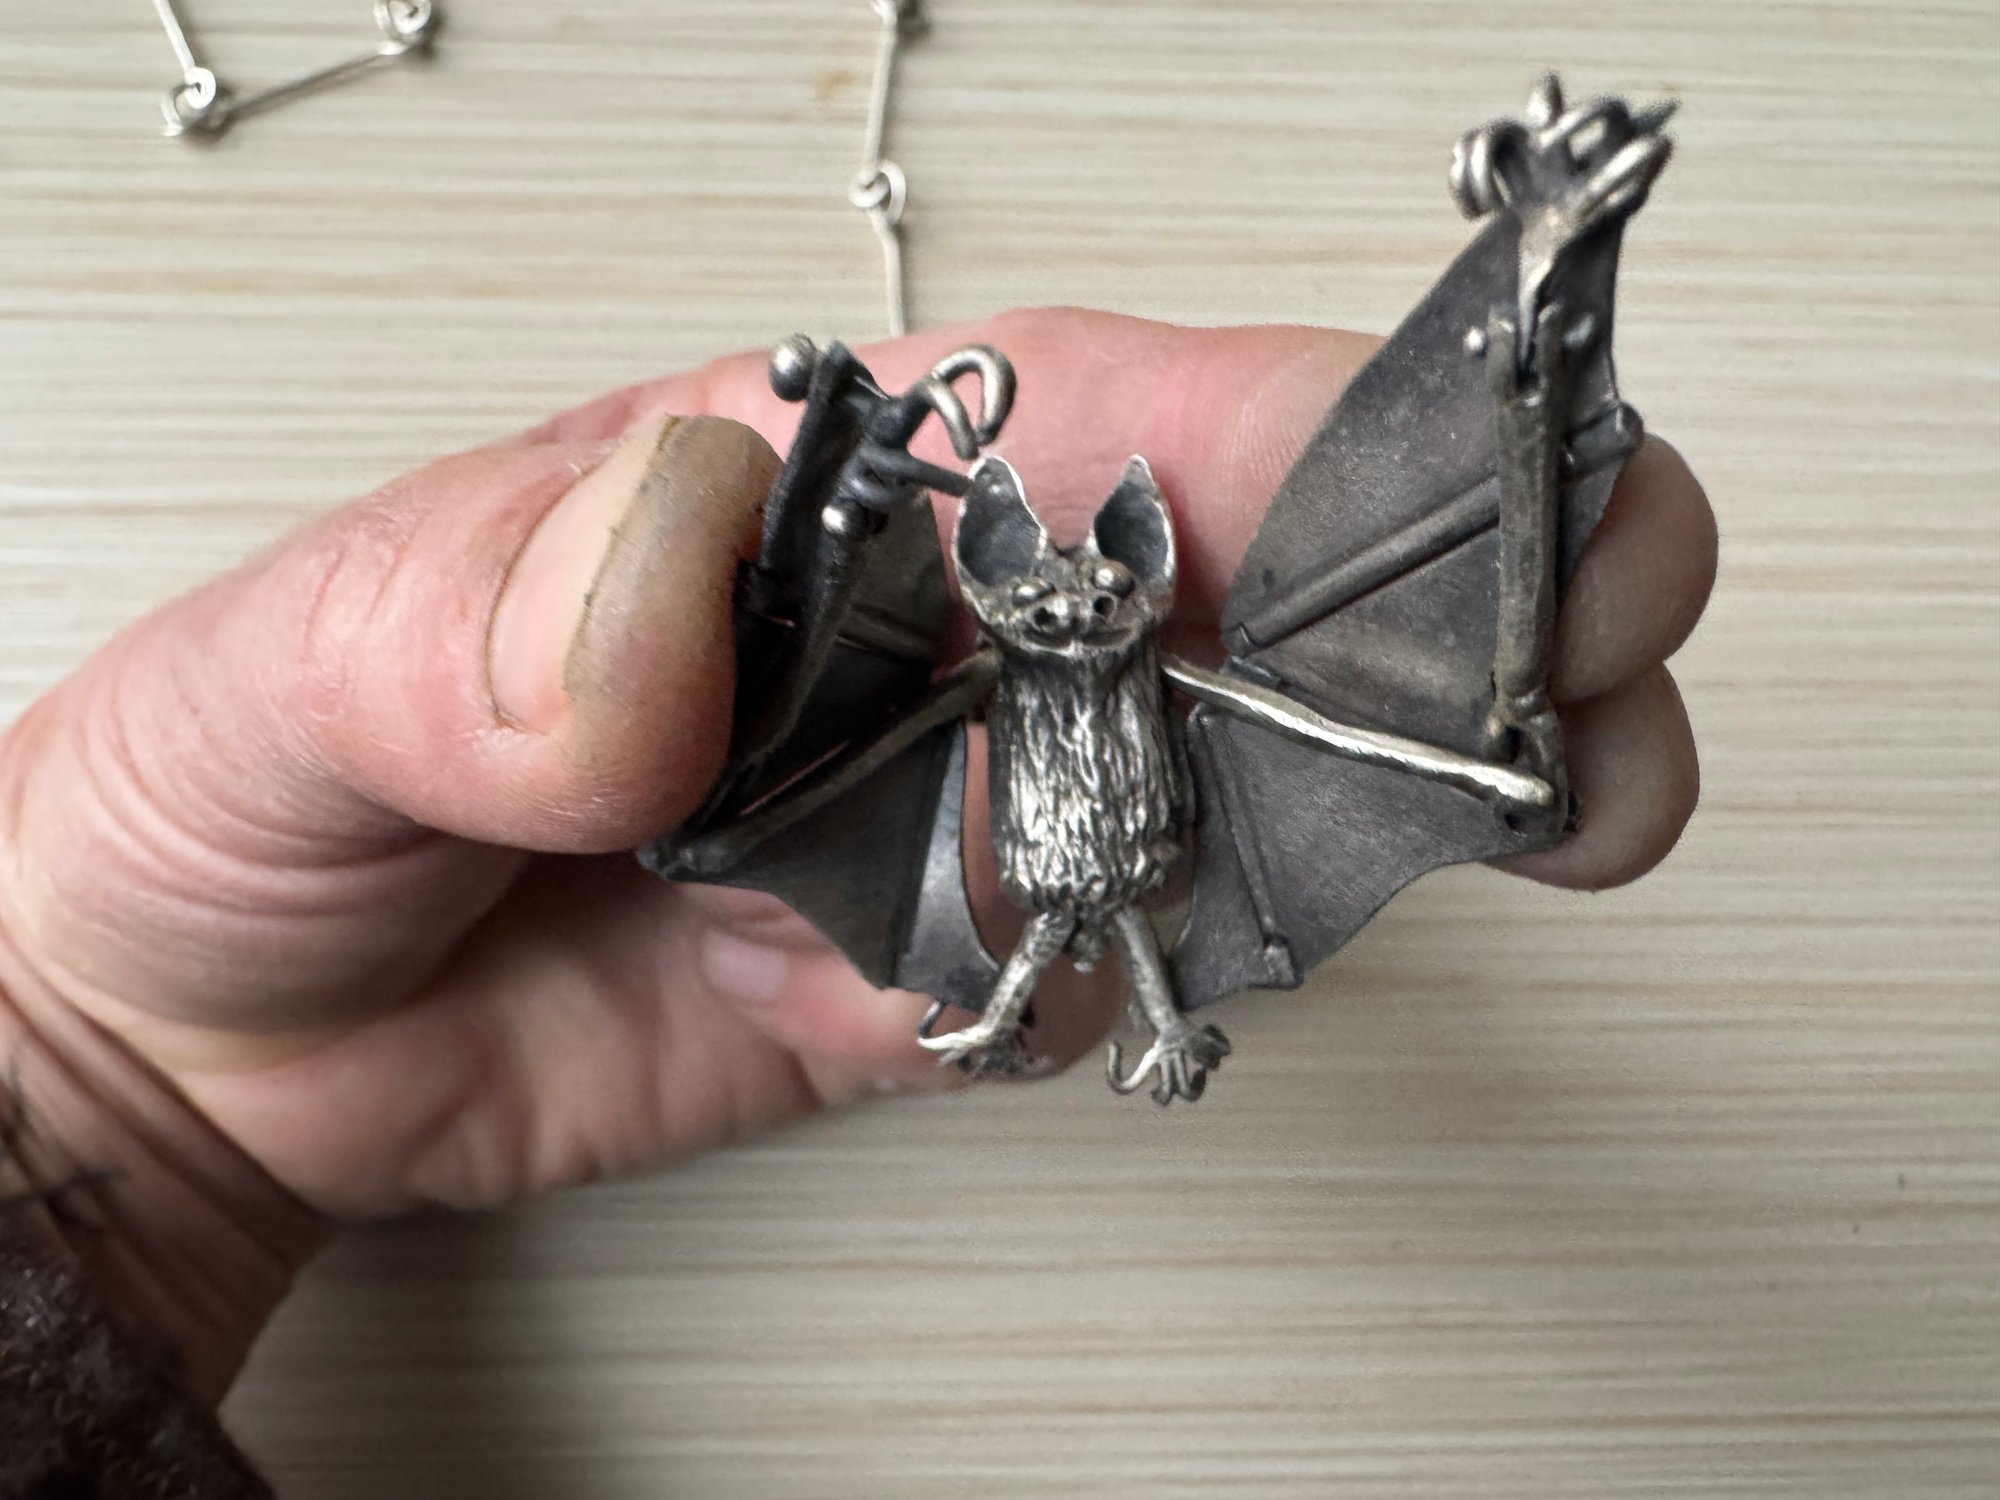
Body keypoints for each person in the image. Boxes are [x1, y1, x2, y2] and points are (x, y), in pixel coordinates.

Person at [0, 310, 1715, 1472]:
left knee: (1119, 912)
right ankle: (1072, 1005)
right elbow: (872, 748)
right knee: (1038, 916)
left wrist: (85, 1058)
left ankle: (1130, 1010)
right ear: (994, 574)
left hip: (1138, 852)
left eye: (1100, 588)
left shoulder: (1150, 668)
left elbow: (1275, 714)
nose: (1068, 612)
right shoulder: (978, 672)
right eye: (1035, 593)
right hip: (1047, 865)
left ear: (1143, 571)